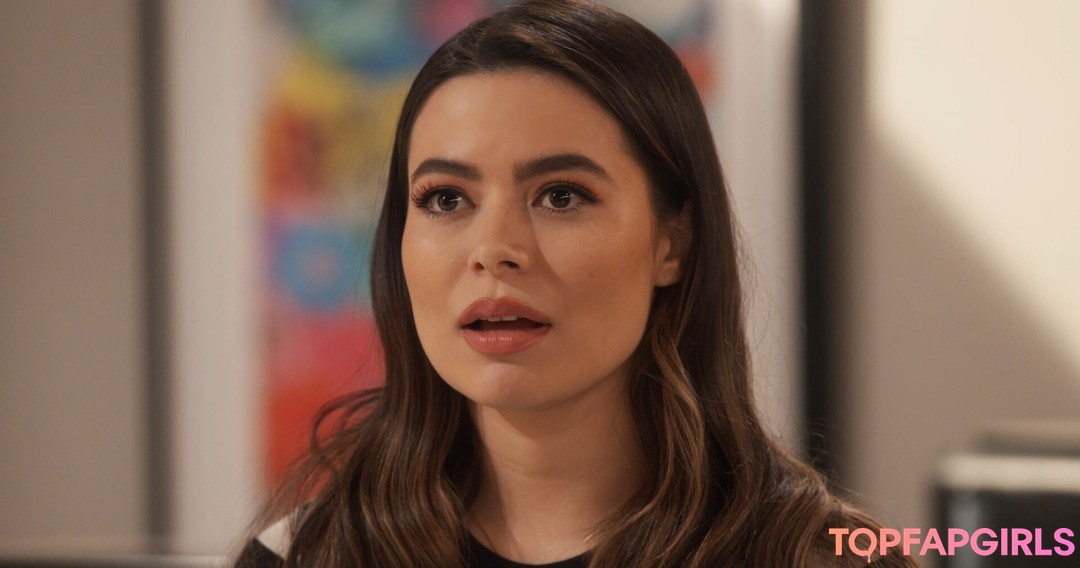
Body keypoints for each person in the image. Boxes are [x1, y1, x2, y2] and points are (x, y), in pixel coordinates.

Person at [236, 1, 917, 566]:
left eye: (561, 196)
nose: (494, 251)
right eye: (446, 199)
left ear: (673, 241)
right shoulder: (308, 554)